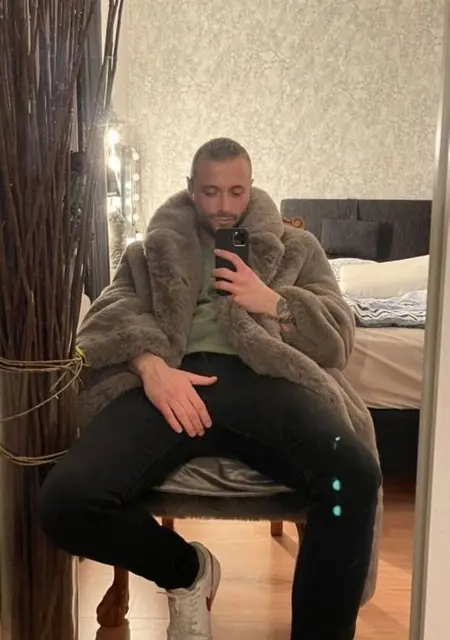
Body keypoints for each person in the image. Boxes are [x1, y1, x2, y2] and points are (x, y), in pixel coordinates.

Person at [39, 138, 382, 640]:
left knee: (352, 474)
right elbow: (103, 322)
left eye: (236, 192)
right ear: (190, 189)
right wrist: (149, 365)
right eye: (210, 192)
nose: (224, 205)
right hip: (171, 383)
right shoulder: (151, 249)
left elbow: (339, 339)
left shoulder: (295, 246)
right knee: (64, 503)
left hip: (265, 382)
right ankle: (189, 572)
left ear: (252, 186)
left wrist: (272, 301)